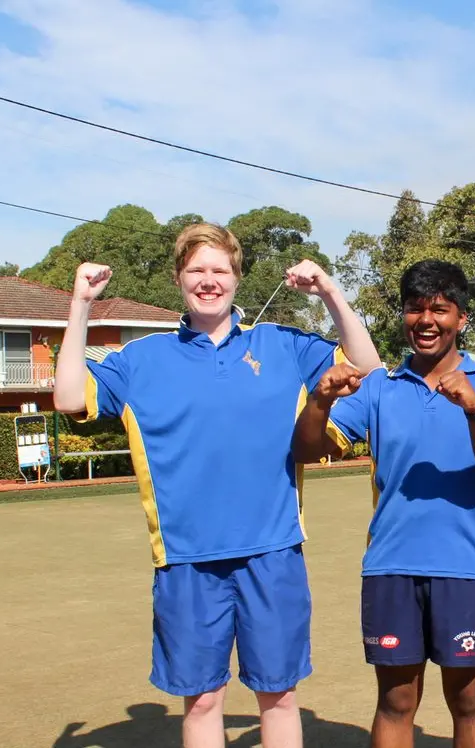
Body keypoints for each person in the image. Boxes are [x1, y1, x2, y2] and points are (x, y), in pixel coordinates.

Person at [52, 222, 381, 748]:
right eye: (197, 270)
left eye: (220, 270)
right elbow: (69, 398)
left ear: (237, 278)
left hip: (273, 552)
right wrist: (81, 305)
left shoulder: (281, 345)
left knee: (278, 696)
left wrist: (330, 293)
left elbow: (369, 367)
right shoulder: (142, 358)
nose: (209, 280)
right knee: (203, 700)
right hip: (185, 558)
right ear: (179, 278)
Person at [290, 260, 475, 748]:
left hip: (467, 568)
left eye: (440, 309)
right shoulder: (379, 385)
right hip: (390, 566)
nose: (427, 320)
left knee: (470, 700)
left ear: (462, 319)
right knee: (396, 702)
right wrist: (320, 400)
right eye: (416, 309)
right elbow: (311, 449)